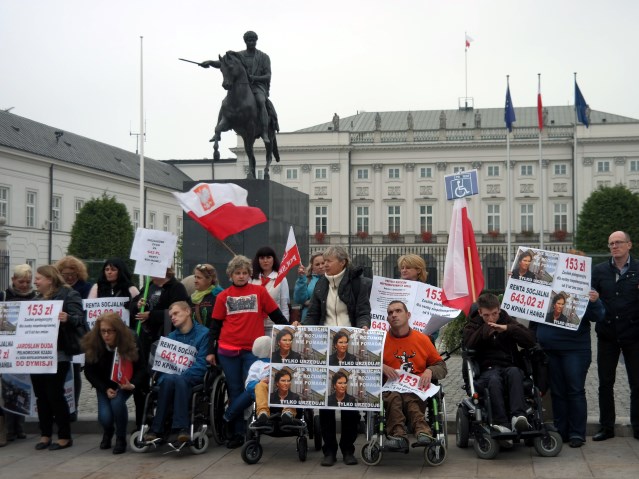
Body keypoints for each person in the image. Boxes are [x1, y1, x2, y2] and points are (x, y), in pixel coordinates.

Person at [206, 255, 289, 449]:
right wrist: (211, 351)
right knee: (235, 390)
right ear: (231, 275)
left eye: (244, 273)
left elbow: (276, 314)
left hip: (253, 351)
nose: (241, 276)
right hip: (228, 351)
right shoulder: (223, 296)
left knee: (253, 388)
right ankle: (238, 433)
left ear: (249, 275)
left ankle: (228, 417)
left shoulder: (259, 292)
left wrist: (291, 331)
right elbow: (215, 326)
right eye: (237, 273)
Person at [303, 245, 372, 467]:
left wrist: (364, 326)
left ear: (342, 262)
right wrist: (302, 329)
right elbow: (314, 312)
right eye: (322, 262)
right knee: (326, 403)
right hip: (325, 346)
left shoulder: (357, 283)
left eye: (328, 261)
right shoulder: (321, 284)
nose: (324, 265)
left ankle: (348, 449)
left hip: (350, 344)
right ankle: (329, 451)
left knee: (349, 401)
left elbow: (363, 310)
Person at [531, 256, 605, 448]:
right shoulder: (545, 289)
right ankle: (560, 431)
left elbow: (599, 316)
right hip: (550, 349)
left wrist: (595, 301)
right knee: (557, 392)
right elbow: (530, 313)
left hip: (575, 350)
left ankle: (577, 433)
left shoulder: (583, 290)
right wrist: (518, 281)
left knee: (574, 390)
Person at [463, 293, 536, 434]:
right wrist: (485, 330)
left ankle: (518, 416)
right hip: (486, 369)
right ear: (480, 312)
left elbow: (530, 339)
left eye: (494, 314)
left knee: (515, 373)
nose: (491, 318)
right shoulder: (473, 325)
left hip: (509, 365)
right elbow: (468, 346)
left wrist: (507, 329)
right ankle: (501, 423)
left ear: (499, 310)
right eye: (486, 315)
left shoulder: (507, 320)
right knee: (494, 379)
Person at [591, 230, 639, 441]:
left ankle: (638, 425)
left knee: (637, 383)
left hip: (634, 335)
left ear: (629, 245)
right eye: (611, 243)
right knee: (605, 383)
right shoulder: (599, 270)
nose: (614, 246)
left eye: (619, 242)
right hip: (607, 334)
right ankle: (606, 427)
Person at [32, 265, 84, 451]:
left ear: (49, 279)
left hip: (58, 353)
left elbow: (80, 318)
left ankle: (64, 436)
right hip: (36, 354)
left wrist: (68, 318)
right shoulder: (35, 298)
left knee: (55, 395)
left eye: (38, 278)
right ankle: (45, 434)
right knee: (41, 396)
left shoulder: (68, 295)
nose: (35, 281)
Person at [382, 300, 447, 447]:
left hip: (416, 388)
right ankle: (397, 435)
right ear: (387, 318)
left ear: (408, 315)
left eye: (398, 311)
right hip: (390, 388)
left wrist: (430, 370)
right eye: (390, 313)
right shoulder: (381, 341)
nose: (394, 315)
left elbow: (441, 366)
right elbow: (367, 364)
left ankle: (422, 431)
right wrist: (381, 366)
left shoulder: (422, 339)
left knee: (410, 399)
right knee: (395, 397)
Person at [143, 301, 209, 443]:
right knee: (169, 379)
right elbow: (161, 367)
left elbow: (202, 363)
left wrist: (181, 374)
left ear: (187, 311)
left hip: (193, 376)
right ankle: (180, 428)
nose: (172, 317)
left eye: (176, 313)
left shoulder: (204, 334)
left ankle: (157, 428)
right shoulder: (170, 338)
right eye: (171, 315)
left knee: (175, 379)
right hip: (171, 378)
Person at [82, 312, 145, 454]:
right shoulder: (94, 342)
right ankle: (108, 431)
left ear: (118, 331)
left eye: (109, 331)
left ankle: (121, 437)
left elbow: (142, 367)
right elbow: (89, 371)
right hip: (104, 384)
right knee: (105, 417)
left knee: (117, 403)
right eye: (102, 331)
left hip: (125, 383)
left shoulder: (131, 339)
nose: (106, 335)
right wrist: (104, 389)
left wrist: (132, 385)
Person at [201, 31, 275, 144]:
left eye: (253, 40)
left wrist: (254, 77)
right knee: (224, 103)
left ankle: (264, 132)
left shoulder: (264, 57)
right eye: (249, 40)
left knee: (261, 101)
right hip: (240, 87)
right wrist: (210, 62)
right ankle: (217, 133)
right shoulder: (239, 56)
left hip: (257, 86)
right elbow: (223, 63)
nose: (251, 42)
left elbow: (268, 75)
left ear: (256, 41)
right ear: (245, 41)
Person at [1, 264, 37, 446]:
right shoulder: (4, 296)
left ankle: (20, 426)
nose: (24, 285)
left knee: (23, 386)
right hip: (8, 348)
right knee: (8, 387)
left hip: (26, 348)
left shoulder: (35, 297)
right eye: (21, 281)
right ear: (13, 280)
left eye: (27, 282)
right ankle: (9, 428)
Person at [55, 255, 93, 423]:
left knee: (75, 373)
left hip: (77, 336)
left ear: (78, 273)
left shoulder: (87, 288)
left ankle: (73, 407)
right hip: (61, 338)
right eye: (65, 273)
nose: (69, 276)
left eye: (72, 273)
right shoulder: (57, 289)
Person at [223, 336, 271, 426]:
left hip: (277, 391)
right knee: (249, 393)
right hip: (260, 391)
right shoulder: (257, 365)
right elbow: (249, 384)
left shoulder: (279, 362)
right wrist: (260, 383)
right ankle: (228, 415)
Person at [250, 246, 290, 338]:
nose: (265, 261)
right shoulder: (251, 278)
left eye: (268, 257)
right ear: (258, 260)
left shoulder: (281, 278)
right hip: (255, 326)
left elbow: (284, 305)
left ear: (273, 259)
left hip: (274, 325)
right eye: (262, 258)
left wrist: (284, 327)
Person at [188, 263, 223, 328]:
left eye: (199, 278)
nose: (195, 281)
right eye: (195, 277)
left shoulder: (218, 296)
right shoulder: (192, 298)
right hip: (196, 337)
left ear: (209, 279)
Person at [293, 253, 324, 322]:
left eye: (323, 263)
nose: (321, 266)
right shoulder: (307, 279)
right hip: (308, 319)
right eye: (317, 264)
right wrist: (301, 279)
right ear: (312, 266)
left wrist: (311, 302)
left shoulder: (333, 279)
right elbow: (299, 300)